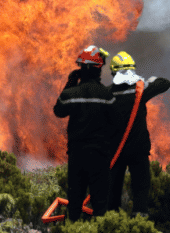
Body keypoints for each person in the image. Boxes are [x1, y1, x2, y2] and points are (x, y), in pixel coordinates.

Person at [53, 45, 115, 221]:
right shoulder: (106, 95)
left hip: (77, 155)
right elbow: (114, 122)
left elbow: (59, 111)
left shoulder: (72, 93)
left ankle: (73, 228)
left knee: (75, 201)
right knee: (100, 202)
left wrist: (71, 82)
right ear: (97, 68)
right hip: (100, 155)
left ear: (81, 68)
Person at [107, 51, 170, 216]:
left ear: (113, 73)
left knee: (113, 189)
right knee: (141, 186)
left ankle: (111, 219)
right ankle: (139, 219)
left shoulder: (107, 94)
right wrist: (150, 80)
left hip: (115, 150)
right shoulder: (140, 91)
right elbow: (164, 83)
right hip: (138, 150)